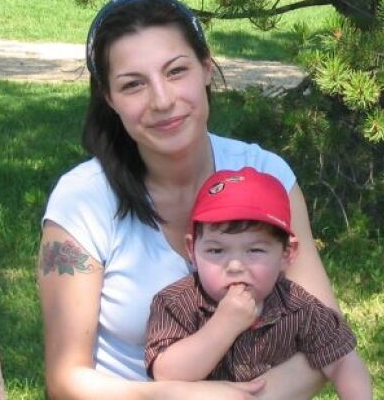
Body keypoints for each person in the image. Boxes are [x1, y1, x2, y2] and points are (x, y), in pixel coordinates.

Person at [38, 0, 371, 399]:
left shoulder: (268, 175)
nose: (162, 100)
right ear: (110, 99)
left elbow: (327, 336)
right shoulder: (83, 202)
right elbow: (66, 380)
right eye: (133, 84)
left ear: (206, 68)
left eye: (176, 71)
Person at [146, 167, 372, 400]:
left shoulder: (299, 307)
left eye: (254, 250)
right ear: (192, 250)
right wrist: (223, 325)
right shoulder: (175, 303)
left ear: (287, 253)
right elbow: (166, 373)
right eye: (216, 250)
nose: (234, 265)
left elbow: (343, 361)